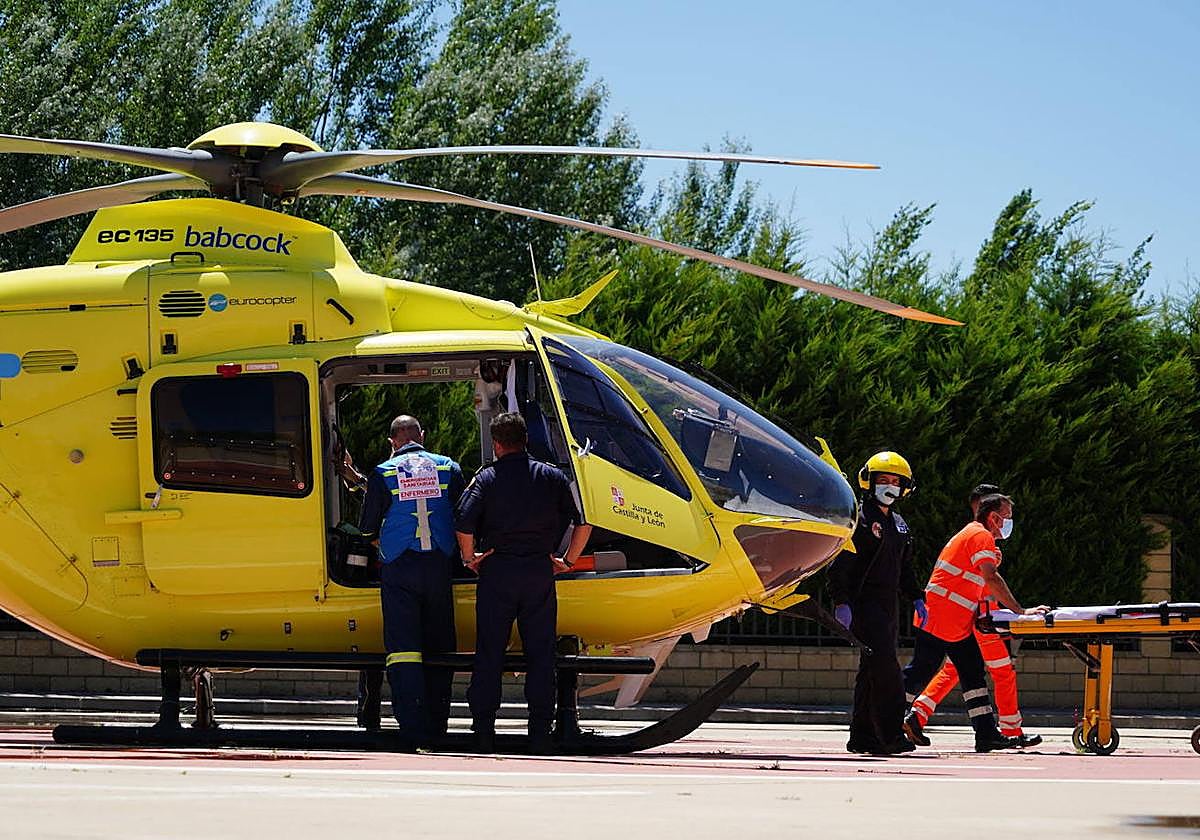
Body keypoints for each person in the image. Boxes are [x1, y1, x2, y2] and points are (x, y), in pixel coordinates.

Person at [455, 412, 591, 753]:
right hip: (538, 571)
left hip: (498, 570)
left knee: (489, 651)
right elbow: (584, 523)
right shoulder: (552, 477)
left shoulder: (486, 479)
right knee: (541, 652)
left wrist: (471, 558)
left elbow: (463, 523)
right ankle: (540, 730)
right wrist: (568, 562)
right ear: (526, 439)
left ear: (497, 444)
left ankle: (483, 729)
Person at [901, 494, 1049, 752]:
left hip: (951, 618)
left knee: (970, 671)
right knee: (921, 671)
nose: (1009, 523)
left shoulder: (974, 535)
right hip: (944, 617)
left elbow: (973, 581)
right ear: (993, 517)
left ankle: (986, 733)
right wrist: (1020, 610)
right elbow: (991, 579)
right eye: (1007, 517)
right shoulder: (981, 536)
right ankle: (887, 719)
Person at [359, 415, 464, 743]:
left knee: (403, 648)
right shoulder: (449, 468)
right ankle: (438, 724)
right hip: (439, 565)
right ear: (423, 435)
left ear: (393, 442)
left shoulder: (383, 472)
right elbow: (465, 517)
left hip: (399, 567)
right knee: (439, 645)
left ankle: (411, 725)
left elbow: (366, 528)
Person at [826, 451, 926, 755]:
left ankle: (862, 737)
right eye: (883, 480)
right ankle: (891, 735)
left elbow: (904, 567)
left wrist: (917, 597)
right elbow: (839, 565)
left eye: (896, 481)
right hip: (864, 603)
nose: (890, 486)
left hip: (888, 605)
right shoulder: (860, 518)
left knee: (870, 671)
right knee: (887, 671)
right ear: (868, 482)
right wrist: (841, 601)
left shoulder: (899, 524)